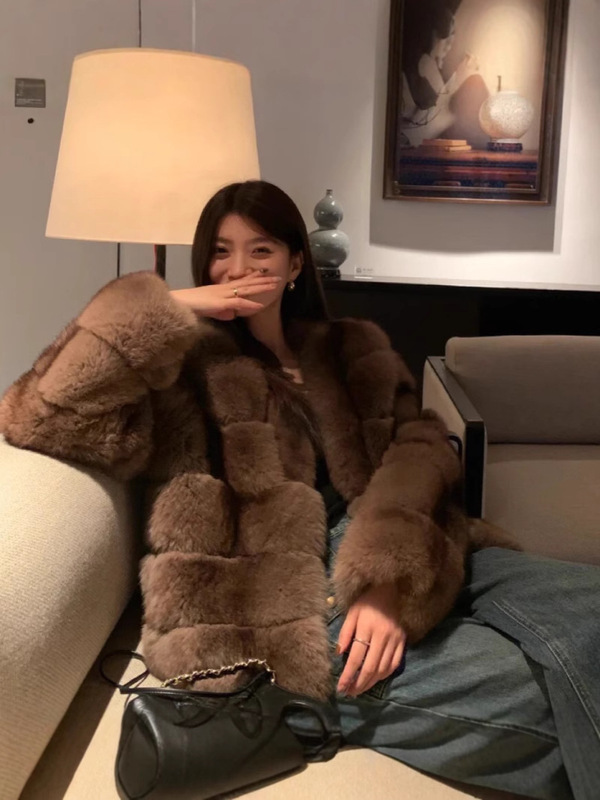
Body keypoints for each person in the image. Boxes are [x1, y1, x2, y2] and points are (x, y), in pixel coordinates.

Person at [1, 180, 598, 800]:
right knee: (536, 693)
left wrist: (387, 573)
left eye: (260, 250)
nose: (238, 269)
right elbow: (42, 414)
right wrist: (172, 304)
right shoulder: (184, 367)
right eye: (221, 252)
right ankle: (302, 707)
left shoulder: (351, 347)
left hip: (421, 549)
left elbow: (421, 445)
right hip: (285, 605)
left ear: (293, 265)